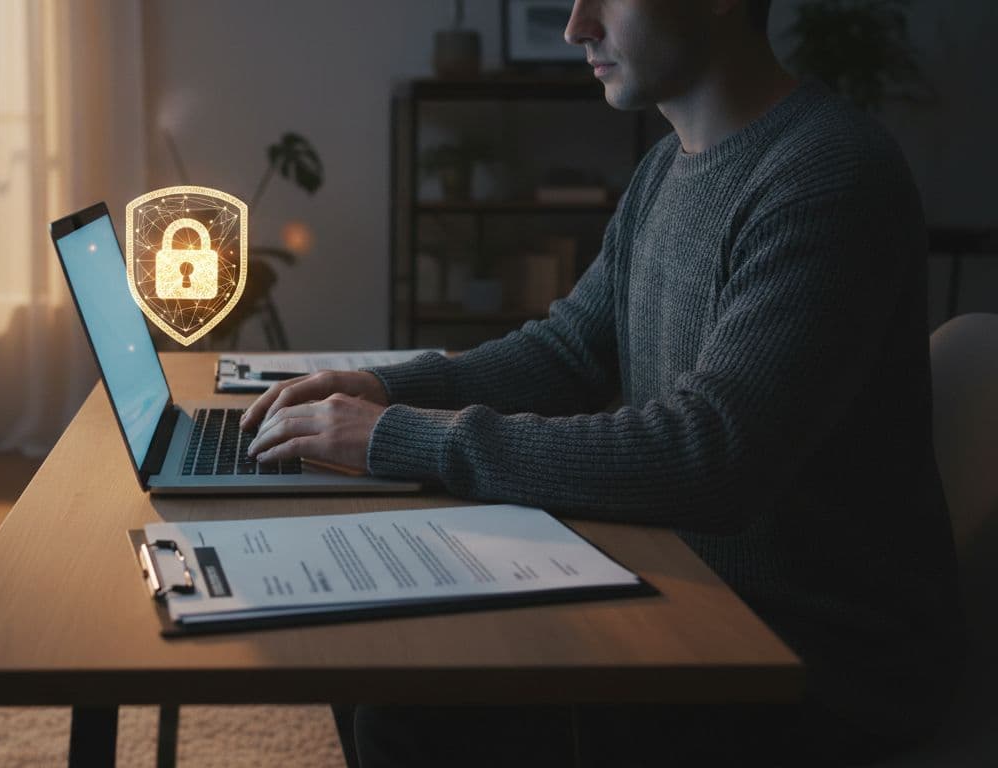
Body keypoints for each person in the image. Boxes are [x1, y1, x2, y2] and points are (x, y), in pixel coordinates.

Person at [239, 0, 961, 765]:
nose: (576, 27)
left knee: (412, 714)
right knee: (378, 649)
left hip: (815, 665)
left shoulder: (829, 175)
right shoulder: (665, 168)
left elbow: (708, 455)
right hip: (689, 591)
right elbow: (567, 354)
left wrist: (399, 438)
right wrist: (380, 389)